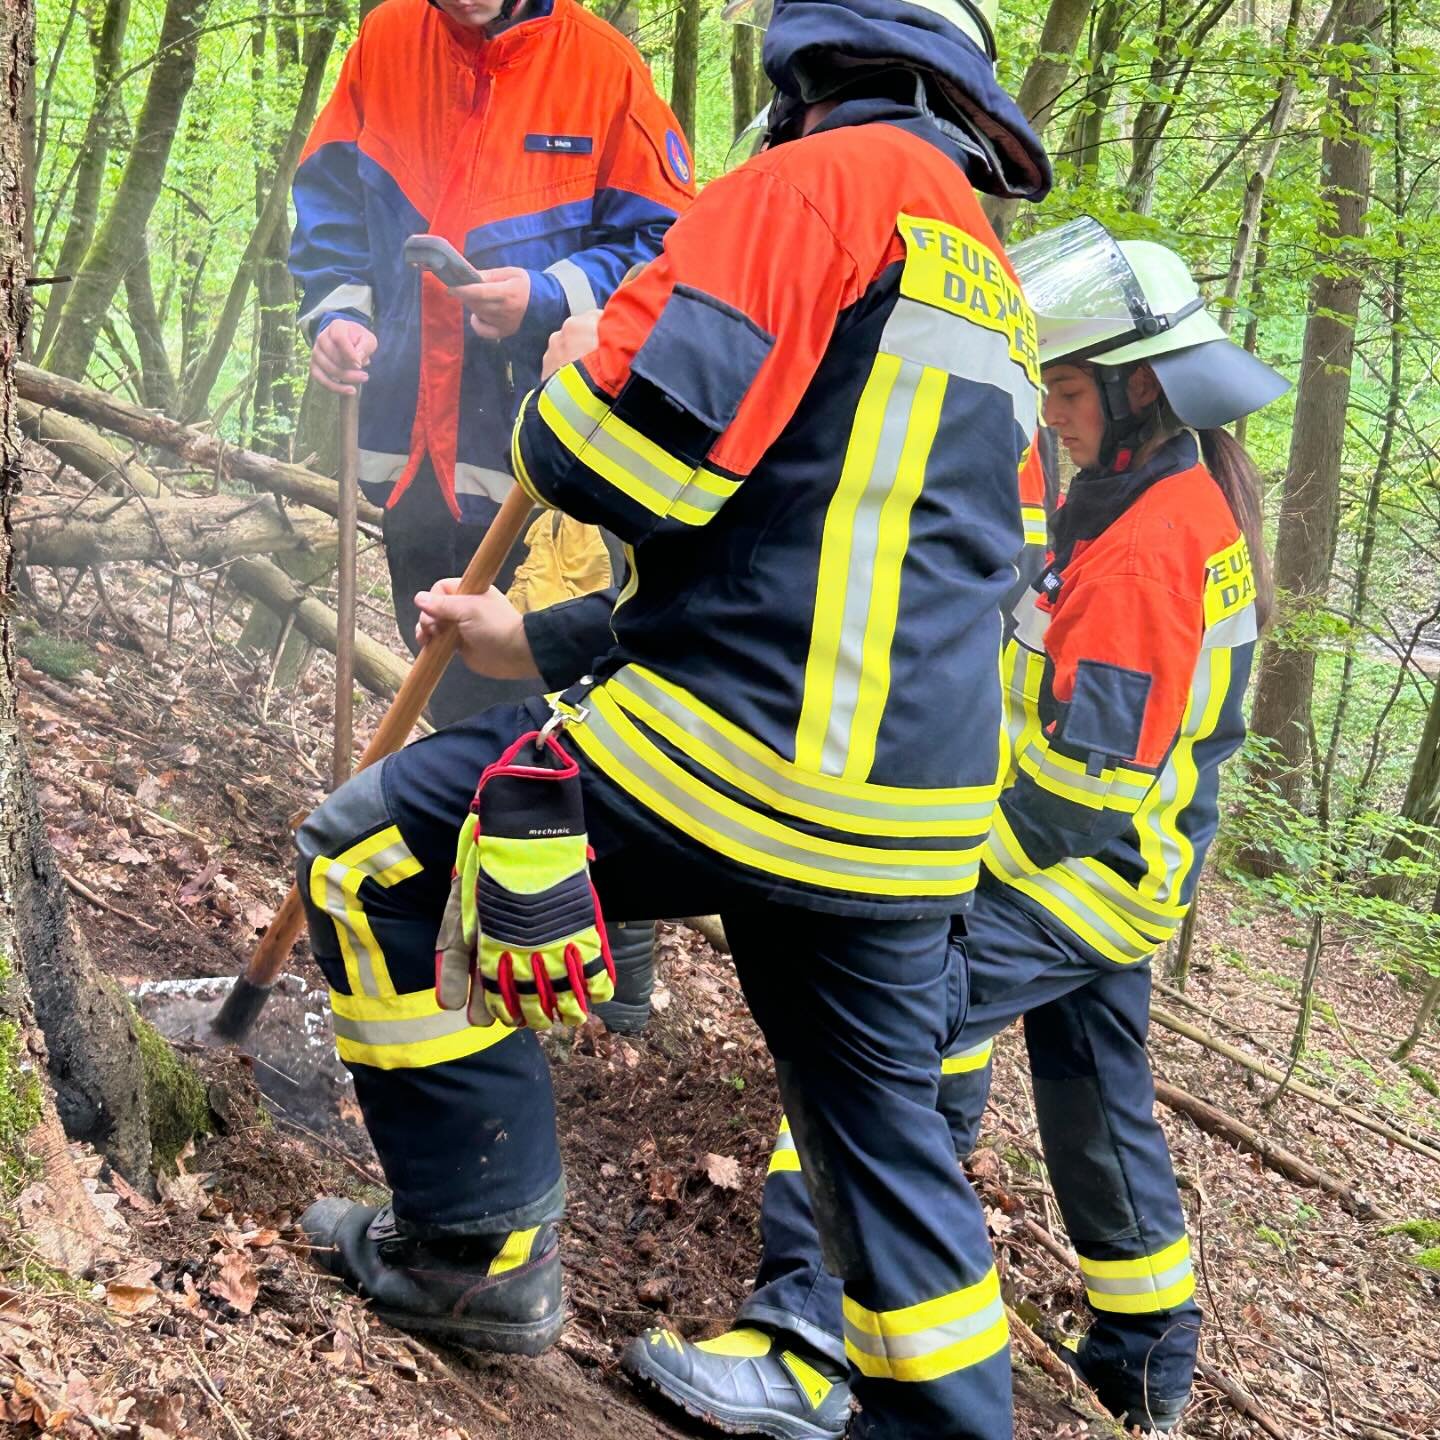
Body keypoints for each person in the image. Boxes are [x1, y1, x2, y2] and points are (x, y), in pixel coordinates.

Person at [295, 1, 1051, 1435]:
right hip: (915, 810)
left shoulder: (805, 187)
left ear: (809, 69)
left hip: (744, 753)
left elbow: (621, 460)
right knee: (885, 1146)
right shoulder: (988, 271)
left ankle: (473, 1255)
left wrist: (579, 353)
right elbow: (824, 553)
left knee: (365, 855)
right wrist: (540, 633)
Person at [619, 217, 1288, 1438]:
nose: (1056, 411)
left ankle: (804, 1337)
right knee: (1096, 1105)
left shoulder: (1148, 547)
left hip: (1076, 871)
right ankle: (1145, 1358)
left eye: (1071, 389)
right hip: (1139, 879)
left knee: (875, 1041)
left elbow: (1081, 792)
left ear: (1146, 389)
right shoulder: (1152, 500)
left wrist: (931, 861)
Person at [289, 0, 690, 1025]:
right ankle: (487, 936)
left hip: (541, 467)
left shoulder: (605, 71)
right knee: (460, 701)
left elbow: (670, 250)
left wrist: (552, 292)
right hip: (406, 447)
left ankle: (613, 957)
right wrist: (335, 313)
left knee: (553, 705)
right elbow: (329, 200)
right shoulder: (387, 41)